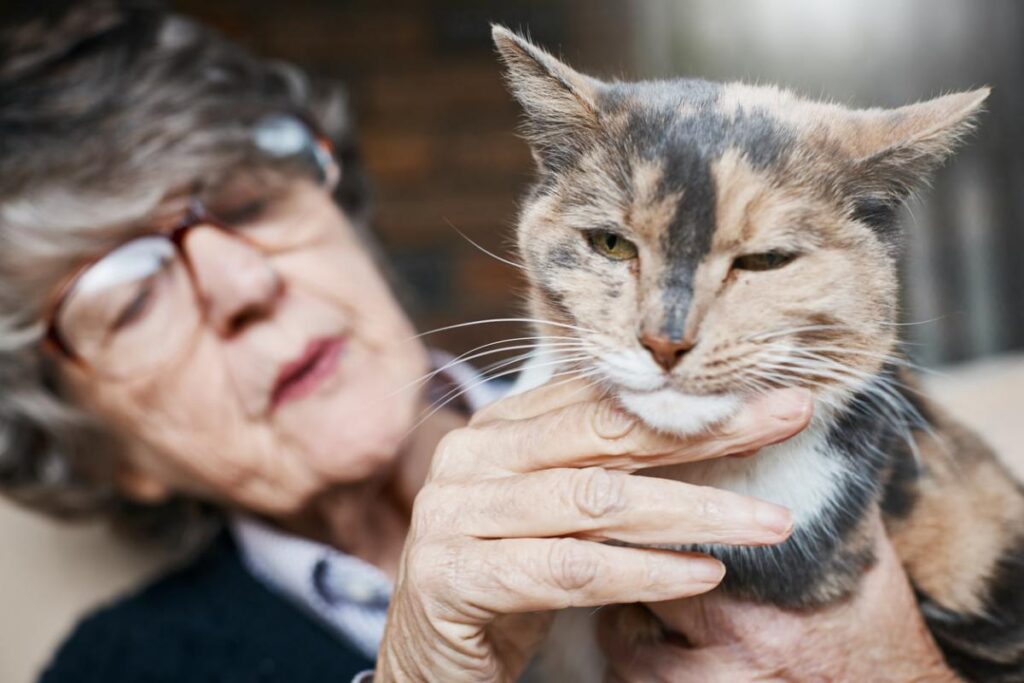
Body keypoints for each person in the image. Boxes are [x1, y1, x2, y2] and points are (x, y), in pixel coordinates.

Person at [0, 2, 957, 681]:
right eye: (127, 298)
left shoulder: (851, 438)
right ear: (100, 449)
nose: (244, 284)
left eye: (250, 200)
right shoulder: (118, 667)